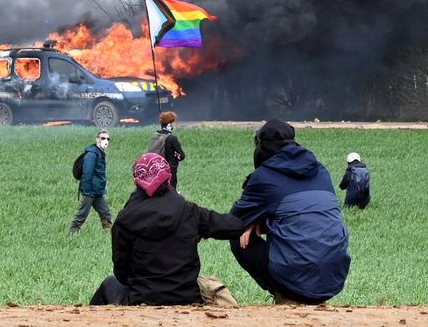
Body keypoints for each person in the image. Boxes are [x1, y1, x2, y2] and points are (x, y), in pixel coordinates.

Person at [91, 153, 246, 306]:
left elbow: (121, 273)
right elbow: (234, 226)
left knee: (109, 283)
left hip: (141, 300)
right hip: (187, 299)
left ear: (136, 181)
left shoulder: (124, 220)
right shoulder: (190, 211)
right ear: (168, 178)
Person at [228, 120, 350, 304]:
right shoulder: (320, 170)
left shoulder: (263, 177)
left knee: (238, 235)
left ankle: (284, 296)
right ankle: (306, 296)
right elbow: (300, 214)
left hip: (295, 280)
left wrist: (254, 221)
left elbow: (233, 220)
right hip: (333, 277)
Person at [69, 130, 113, 233]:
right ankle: (70, 234)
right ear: (97, 139)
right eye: (103, 138)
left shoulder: (99, 154)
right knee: (82, 215)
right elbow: (87, 173)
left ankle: (109, 234)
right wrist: (87, 191)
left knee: (105, 213)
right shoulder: (92, 155)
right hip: (90, 191)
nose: (105, 141)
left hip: (97, 191)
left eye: (107, 139)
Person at [147, 110, 185, 189]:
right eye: (173, 122)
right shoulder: (172, 138)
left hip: (156, 170)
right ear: (169, 125)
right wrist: (176, 156)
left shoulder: (155, 136)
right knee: (171, 191)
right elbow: (182, 156)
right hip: (169, 171)